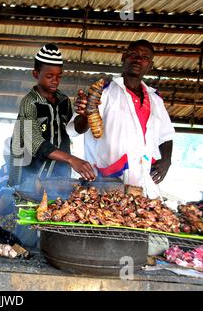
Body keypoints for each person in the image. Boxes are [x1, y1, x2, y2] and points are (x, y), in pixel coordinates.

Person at [67, 39, 174, 198]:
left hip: (145, 182)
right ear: (124, 57)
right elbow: (76, 129)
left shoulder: (155, 98)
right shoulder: (103, 91)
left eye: (144, 58)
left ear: (150, 65)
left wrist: (166, 160)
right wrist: (85, 115)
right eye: (133, 54)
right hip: (108, 181)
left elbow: (167, 135)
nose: (138, 59)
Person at [9, 43, 95, 187]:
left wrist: (85, 115)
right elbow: (34, 142)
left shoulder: (64, 101)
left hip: (58, 178)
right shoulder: (29, 102)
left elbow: (75, 130)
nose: (55, 80)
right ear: (36, 74)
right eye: (50, 76)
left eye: (58, 76)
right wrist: (71, 159)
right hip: (27, 177)